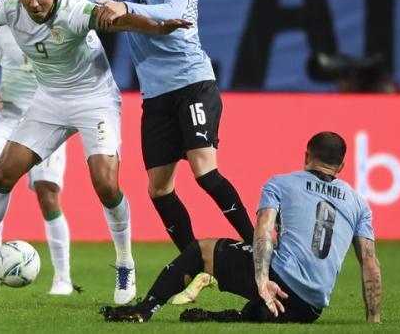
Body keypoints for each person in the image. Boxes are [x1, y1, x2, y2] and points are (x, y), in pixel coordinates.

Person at [0, 0, 191, 305]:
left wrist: (160, 27)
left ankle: (124, 262)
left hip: (94, 101)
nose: (33, 4)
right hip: (50, 101)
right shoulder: (10, 5)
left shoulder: (75, 10)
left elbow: (122, 22)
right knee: (2, 174)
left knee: (105, 184)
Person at [86, 0, 254, 303]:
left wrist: (120, 8)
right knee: (159, 189)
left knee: (204, 171)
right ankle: (195, 262)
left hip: (193, 84)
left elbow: (174, 11)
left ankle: (259, 250)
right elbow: (87, 8)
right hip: (155, 97)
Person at [102, 131, 382, 323]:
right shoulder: (359, 202)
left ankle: (145, 309)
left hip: (278, 285)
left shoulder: (281, 183)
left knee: (201, 250)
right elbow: (369, 262)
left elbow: (262, 232)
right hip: (310, 307)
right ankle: (239, 316)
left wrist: (262, 281)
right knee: (265, 303)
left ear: (305, 155)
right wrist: (373, 320)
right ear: (342, 166)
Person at [0, 25, 72, 295]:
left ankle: (63, 277)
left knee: (47, 192)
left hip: (48, 119)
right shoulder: (3, 32)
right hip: (8, 118)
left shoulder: (61, 30)